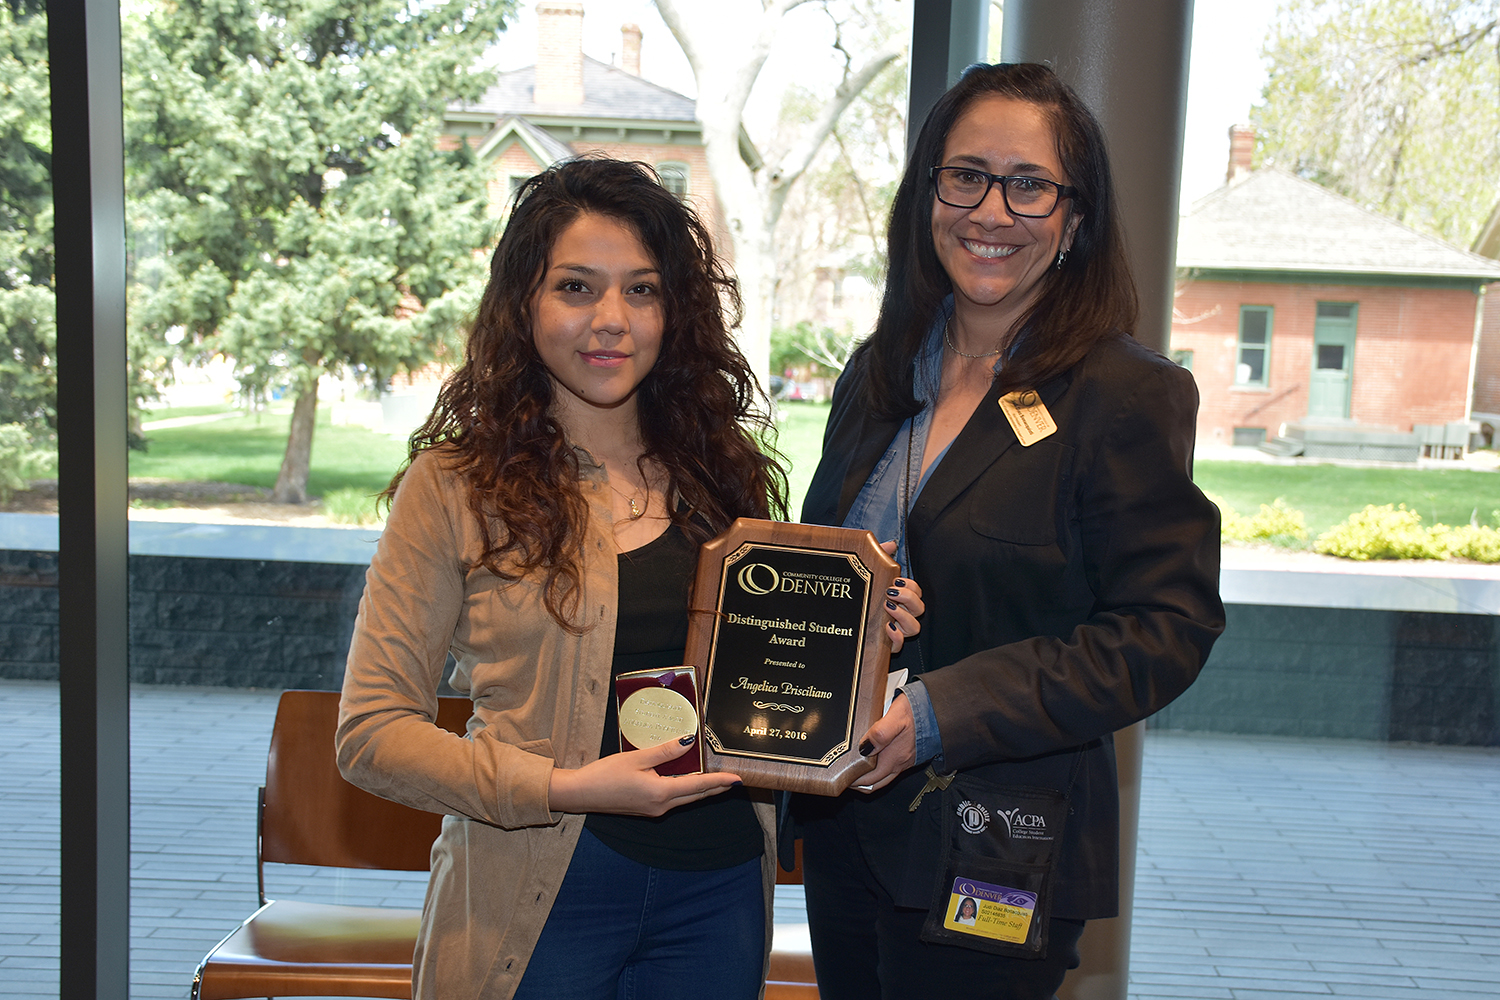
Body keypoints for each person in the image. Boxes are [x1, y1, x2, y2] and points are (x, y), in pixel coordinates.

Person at [336, 157, 926, 1000]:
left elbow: (771, 688)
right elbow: (371, 734)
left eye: (642, 291)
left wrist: (865, 639)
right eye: (576, 287)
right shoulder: (455, 486)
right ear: (523, 304)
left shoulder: (724, 477)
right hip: (544, 892)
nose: (611, 320)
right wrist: (567, 786)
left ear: (674, 310)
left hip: (718, 891)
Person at [791, 63, 1225, 1000]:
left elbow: (1163, 632)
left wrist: (942, 712)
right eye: (966, 176)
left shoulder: (1123, 393)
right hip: (845, 829)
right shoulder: (878, 373)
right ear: (929, 194)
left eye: (1028, 184)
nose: (991, 211)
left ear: (1074, 216)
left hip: (995, 835)